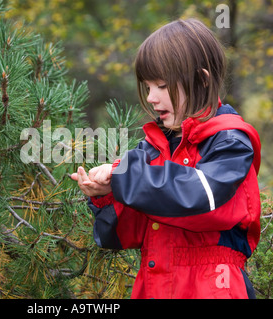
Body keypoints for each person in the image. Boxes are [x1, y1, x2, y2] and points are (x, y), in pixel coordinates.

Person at [71, 18, 261, 299]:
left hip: (214, 287)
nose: (151, 97)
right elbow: (126, 235)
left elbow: (201, 198)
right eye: (148, 87)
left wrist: (127, 177)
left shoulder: (230, 142)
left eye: (160, 85)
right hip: (154, 285)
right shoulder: (152, 147)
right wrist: (109, 194)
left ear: (201, 79)